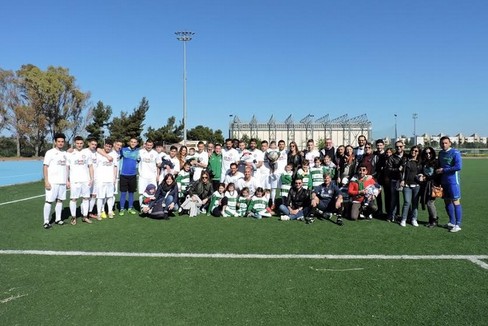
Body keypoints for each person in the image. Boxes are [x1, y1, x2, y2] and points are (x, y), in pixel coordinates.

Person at [436, 136, 463, 232]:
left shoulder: (455, 152)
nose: (444, 144)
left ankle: (458, 224)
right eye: (442, 143)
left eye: (446, 143)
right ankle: (451, 222)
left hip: (453, 181)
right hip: (444, 181)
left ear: (450, 143)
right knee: (447, 201)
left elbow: (458, 167)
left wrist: (444, 170)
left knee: (455, 201)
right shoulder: (440, 153)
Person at [42, 133, 68, 229]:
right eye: (59, 141)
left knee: (60, 201)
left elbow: (67, 167)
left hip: (62, 182)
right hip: (52, 182)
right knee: (49, 201)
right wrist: (46, 181)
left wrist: (67, 180)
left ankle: (58, 219)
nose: (61, 143)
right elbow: (45, 166)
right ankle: (46, 221)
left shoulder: (65, 153)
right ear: (55, 142)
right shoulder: (50, 152)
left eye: (62, 141)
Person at [67, 136, 94, 225]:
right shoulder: (70, 153)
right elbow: (67, 167)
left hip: (85, 180)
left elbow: (90, 166)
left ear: (83, 143)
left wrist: (91, 178)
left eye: (81, 143)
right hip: (74, 180)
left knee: (86, 198)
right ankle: (73, 217)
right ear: (75, 143)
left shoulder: (87, 153)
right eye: (77, 143)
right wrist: (67, 180)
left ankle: (85, 216)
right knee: (73, 199)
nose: (79, 145)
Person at [93, 140, 118, 219]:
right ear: (104, 145)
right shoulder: (98, 153)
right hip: (100, 179)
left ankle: (110, 211)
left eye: (110, 147)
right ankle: (99, 213)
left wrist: (114, 178)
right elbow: (96, 149)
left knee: (110, 196)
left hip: (110, 179)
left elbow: (115, 167)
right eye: (106, 146)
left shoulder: (114, 154)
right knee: (100, 197)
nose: (108, 148)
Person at [398, 146, 422, 227]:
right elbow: (400, 171)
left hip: (417, 185)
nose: (414, 152)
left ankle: (414, 219)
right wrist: (402, 180)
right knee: (407, 202)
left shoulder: (420, 162)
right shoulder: (405, 160)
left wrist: (421, 176)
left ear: (418, 152)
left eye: (416, 151)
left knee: (415, 203)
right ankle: (403, 219)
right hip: (407, 185)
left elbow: (422, 172)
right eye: (412, 150)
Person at [419, 147, 440, 228]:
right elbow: (421, 172)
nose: (428, 155)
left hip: (433, 185)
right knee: (427, 202)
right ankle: (431, 220)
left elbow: (436, 175)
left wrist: (427, 178)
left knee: (430, 203)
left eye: (430, 153)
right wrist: (421, 175)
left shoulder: (436, 162)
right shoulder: (424, 162)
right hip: (425, 185)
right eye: (426, 153)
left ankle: (434, 220)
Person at [385, 141, 406, 222]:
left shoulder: (407, 156)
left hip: (405, 181)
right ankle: (392, 216)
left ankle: (408, 216)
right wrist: (397, 169)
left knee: (407, 200)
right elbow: (388, 169)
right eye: (397, 146)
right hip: (394, 180)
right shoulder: (392, 157)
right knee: (394, 199)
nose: (399, 148)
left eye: (400, 146)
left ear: (403, 146)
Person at [119, 138, 140, 216]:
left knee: (131, 193)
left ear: (137, 143)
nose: (133, 143)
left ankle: (130, 208)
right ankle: (122, 208)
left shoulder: (138, 151)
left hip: (133, 175)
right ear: (129, 142)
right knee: (123, 193)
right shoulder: (123, 150)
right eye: (132, 142)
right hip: (123, 175)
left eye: (135, 142)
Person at [138, 139, 161, 208]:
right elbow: (136, 160)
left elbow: (158, 165)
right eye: (148, 145)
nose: (149, 146)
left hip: (152, 177)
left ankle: (151, 207)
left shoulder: (155, 153)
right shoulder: (140, 152)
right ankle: (142, 207)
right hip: (143, 176)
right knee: (142, 193)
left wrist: (158, 175)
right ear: (145, 144)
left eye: (150, 145)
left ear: (152, 145)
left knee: (153, 193)